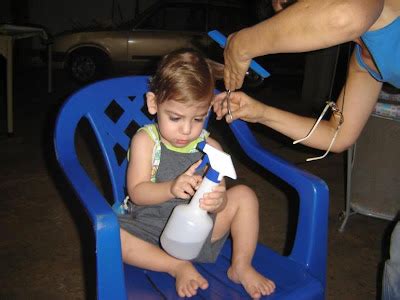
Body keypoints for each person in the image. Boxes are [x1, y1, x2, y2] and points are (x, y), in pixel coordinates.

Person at [213, 0, 399, 298]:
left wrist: (241, 44)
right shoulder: (364, 58)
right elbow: (337, 136)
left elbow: (344, 14)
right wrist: (259, 112)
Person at [118, 48, 276, 299]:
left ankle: (241, 266)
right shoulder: (146, 141)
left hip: (198, 234)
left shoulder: (211, 148)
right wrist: (170, 188)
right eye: (175, 118)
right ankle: (175, 266)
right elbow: (137, 193)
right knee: (111, 237)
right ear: (153, 103)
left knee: (245, 195)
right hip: (151, 231)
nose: (186, 130)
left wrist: (218, 201)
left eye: (198, 119)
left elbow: (220, 197)